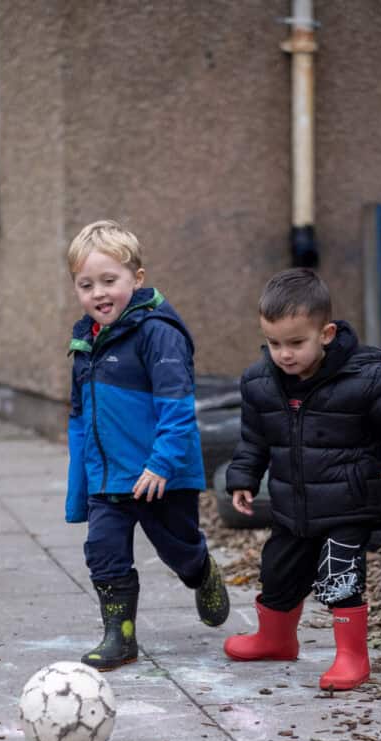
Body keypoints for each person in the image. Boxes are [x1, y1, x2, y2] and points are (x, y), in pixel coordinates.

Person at [224, 268, 381, 691]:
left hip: (348, 501)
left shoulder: (368, 375)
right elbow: (253, 438)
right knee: (277, 571)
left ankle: (352, 656)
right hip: (292, 505)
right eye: (274, 343)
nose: (284, 354)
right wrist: (242, 476)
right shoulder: (260, 383)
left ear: (327, 333)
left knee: (339, 574)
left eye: (296, 343)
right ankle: (276, 638)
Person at [65, 219, 229, 670]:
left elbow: (177, 409)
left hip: (160, 476)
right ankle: (120, 636)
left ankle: (202, 571)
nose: (99, 293)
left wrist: (160, 464)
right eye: (86, 284)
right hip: (109, 478)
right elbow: (80, 419)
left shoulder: (159, 334)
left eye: (109, 281)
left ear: (136, 279)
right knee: (102, 550)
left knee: (179, 551)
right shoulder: (85, 342)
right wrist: (80, 487)